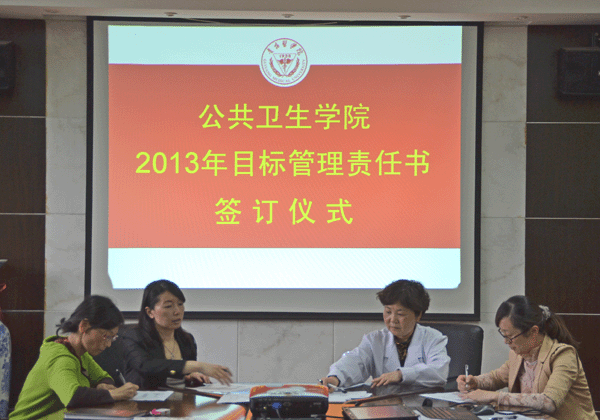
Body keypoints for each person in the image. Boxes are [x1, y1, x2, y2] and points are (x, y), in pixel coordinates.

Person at [457, 295, 597, 420]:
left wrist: (495, 396)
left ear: (533, 331)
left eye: (510, 336)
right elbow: (497, 377)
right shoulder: (519, 354)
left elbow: (549, 401)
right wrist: (475, 382)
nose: (506, 342)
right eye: (503, 335)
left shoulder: (564, 355)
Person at [9, 296, 139, 420]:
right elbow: (72, 397)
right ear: (84, 326)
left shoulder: (80, 353)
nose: (109, 344)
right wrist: (113, 394)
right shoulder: (59, 356)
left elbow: (103, 377)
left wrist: (104, 385)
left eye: (113, 338)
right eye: (106, 336)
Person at [320, 279, 450, 393]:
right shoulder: (375, 339)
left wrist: (401, 374)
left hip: (422, 406)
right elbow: (356, 361)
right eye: (388, 311)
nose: (392, 319)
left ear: (418, 315)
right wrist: (336, 378)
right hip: (384, 405)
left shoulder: (433, 338)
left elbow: (439, 372)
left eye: (400, 314)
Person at [121, 279, 233, 389]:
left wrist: (191, 376)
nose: (177, 311)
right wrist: (198, 366)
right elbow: (146, 366)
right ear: (150, 312)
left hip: (181, 399)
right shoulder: (133, 337)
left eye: (180, 304)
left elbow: (182, 375)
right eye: (168, 306)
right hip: (145, 400)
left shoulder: (186, 340)